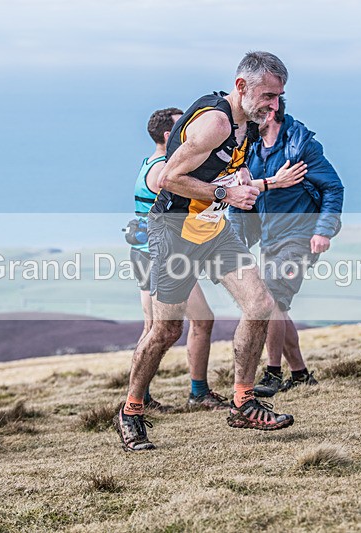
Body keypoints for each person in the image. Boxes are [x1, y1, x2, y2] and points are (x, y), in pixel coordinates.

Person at [114, 51, 297, 451]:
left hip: (213, 230)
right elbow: (168, 179)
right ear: (241, 86)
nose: (274, 105)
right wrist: (224, 192)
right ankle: (130, 411)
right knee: (167, 329)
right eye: (267, 95)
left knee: (260, 303)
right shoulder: (214, 122)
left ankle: (243, 403)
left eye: (278, 97)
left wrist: (247, 181)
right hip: (173, 232)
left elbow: (230, 168)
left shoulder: (247, 123)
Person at [231, 97, 344, 397]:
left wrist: (323, 231)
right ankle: (300, 374)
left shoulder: (300, 146)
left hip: (301, 236)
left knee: (271, 300)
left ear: (271, 112)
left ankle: (272, 374)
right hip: (269, 238)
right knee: (277, 305)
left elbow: (333, 187)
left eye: (259, 110)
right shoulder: (250, 149)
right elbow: (239, 196)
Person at [130, 107, 229, 411]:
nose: (187, 132)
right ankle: (197, 393)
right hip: (164, 257)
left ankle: (141, 399)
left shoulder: (149, 162)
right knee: (199, 320)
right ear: (166, 135)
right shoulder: (163, 169)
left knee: (153, 328)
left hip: (146, 255)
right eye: (179, 128)